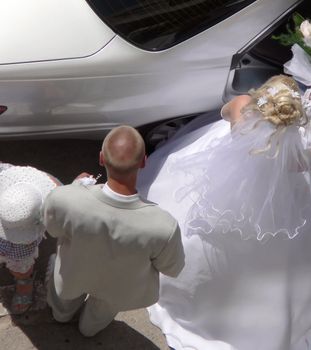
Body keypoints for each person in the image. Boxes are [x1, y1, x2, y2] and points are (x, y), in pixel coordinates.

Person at [137, 74, 311, 350]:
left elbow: (227, 114)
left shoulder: (240, 109)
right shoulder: (292, 156)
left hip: (226, 183)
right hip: (281, 198)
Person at [42, 125, 185, 337]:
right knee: (96, 320)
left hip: (74, 274)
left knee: (63, 302)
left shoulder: (64, 198)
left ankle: (61, 316)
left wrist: (76, 187)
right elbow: (172, 268)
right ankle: (88, 331)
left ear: (101, 158)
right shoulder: (164, 225)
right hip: (119, 287)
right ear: (144, 161)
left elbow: (52, 229)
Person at [0, 163, 58, 314]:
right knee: (20, 266)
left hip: (15, 242)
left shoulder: (5, 172)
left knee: (21, 268)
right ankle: (24, 281)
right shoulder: (22, 243)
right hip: (13, 244)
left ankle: (24, 281)